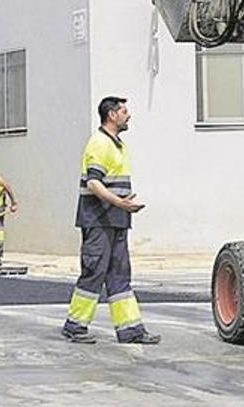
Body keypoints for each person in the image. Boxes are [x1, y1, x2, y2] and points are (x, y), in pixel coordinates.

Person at [61, 96, 160, 345]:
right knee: (94, 272)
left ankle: (131, 330)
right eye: (124, 111)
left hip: (116, 219)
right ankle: (75, 327)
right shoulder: (99, 144)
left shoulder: (118, 145)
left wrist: (122, 209)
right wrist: (120, 203)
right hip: (98, 220)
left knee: (119, 274)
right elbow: (93, 182)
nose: (129, 116)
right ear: (112, 115)